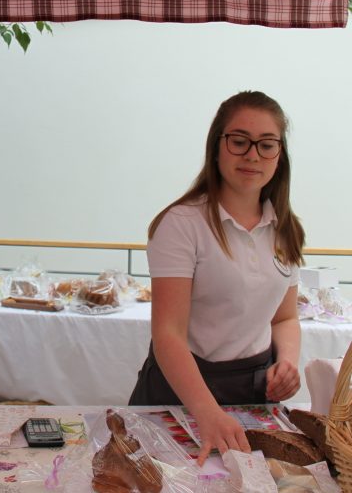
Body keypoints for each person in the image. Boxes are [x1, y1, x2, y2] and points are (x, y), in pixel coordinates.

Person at [129, 91, 305, 464]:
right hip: (183, 392)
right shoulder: (182, 224)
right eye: (239, 141)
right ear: (216, 148)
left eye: (267, 144)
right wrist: (207, 413)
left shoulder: (285, 228)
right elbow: (168, 335)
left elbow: (285, 317)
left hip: (253, 395)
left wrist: (286, 361)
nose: (252, 154)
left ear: (279, 155)